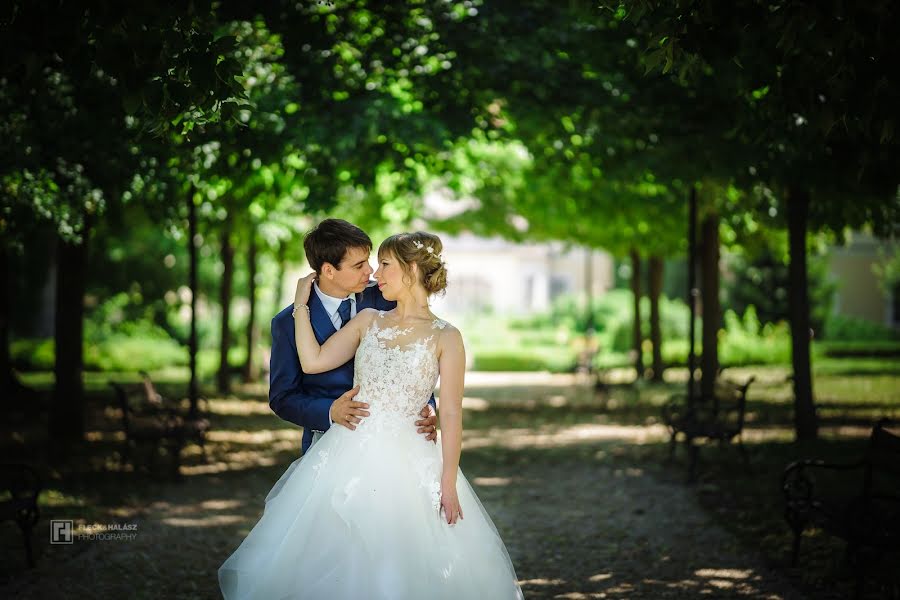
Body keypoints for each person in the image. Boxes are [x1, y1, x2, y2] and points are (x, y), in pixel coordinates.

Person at [219, 231, 523, 599]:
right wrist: (301, 304)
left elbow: (453, 411)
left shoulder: (446, 335)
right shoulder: (368, 319)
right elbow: (311, 363)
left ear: (411, 269)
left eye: (383, 264)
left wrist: (446, 480)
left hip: (411, 457)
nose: (375, 274)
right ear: (329, 270)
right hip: (344, 452)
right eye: (368, 265)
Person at [267, 219, 437, 454]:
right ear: (329, 270)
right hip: (327, 445)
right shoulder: (287, 323)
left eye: (368, 261)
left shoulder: (387, 299)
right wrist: (329, 411)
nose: (370, 271)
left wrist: (428, 406)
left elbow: (417, 359)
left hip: (394, 444)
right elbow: (282, 397)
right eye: (359, 266)